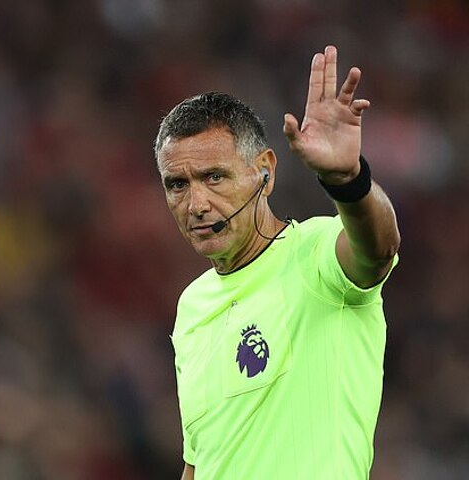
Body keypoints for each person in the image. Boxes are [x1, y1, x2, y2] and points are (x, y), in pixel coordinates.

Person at [155, 46, 400, 479]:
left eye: (215, 177)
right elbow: (200, 460)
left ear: (264, 172)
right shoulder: (192, 306)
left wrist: (347, 180)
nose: (196, 204)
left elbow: (378, 250)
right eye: (177, 184)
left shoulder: (315, 256)